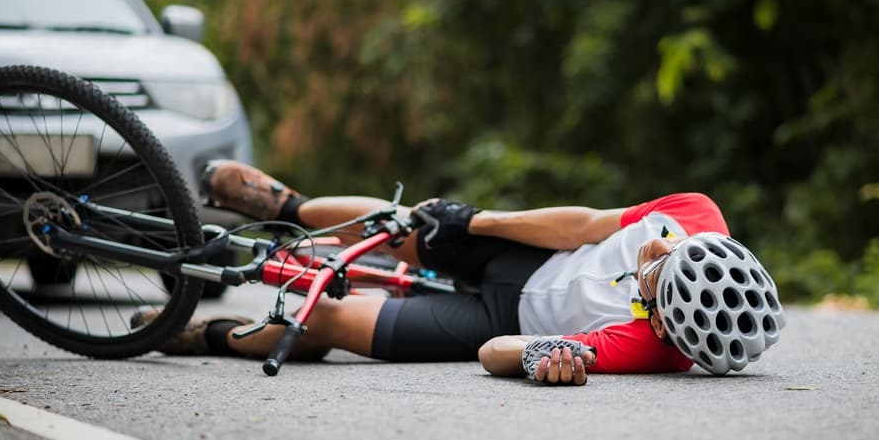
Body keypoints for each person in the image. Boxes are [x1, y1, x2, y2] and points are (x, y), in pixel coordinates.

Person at [132, 161, 786, 385]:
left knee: (327, 321)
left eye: (656, 303)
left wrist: (544, 356)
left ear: (671, 332)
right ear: (697, 245)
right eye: (661, 266)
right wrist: (478, 221)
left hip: (499, 317)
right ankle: (287, 206)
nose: (647, 277)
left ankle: (202, 331)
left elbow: (493, 350)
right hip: (528, 256)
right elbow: (581, 223)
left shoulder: (655, 352)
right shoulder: (694, 213)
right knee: (410, 226)